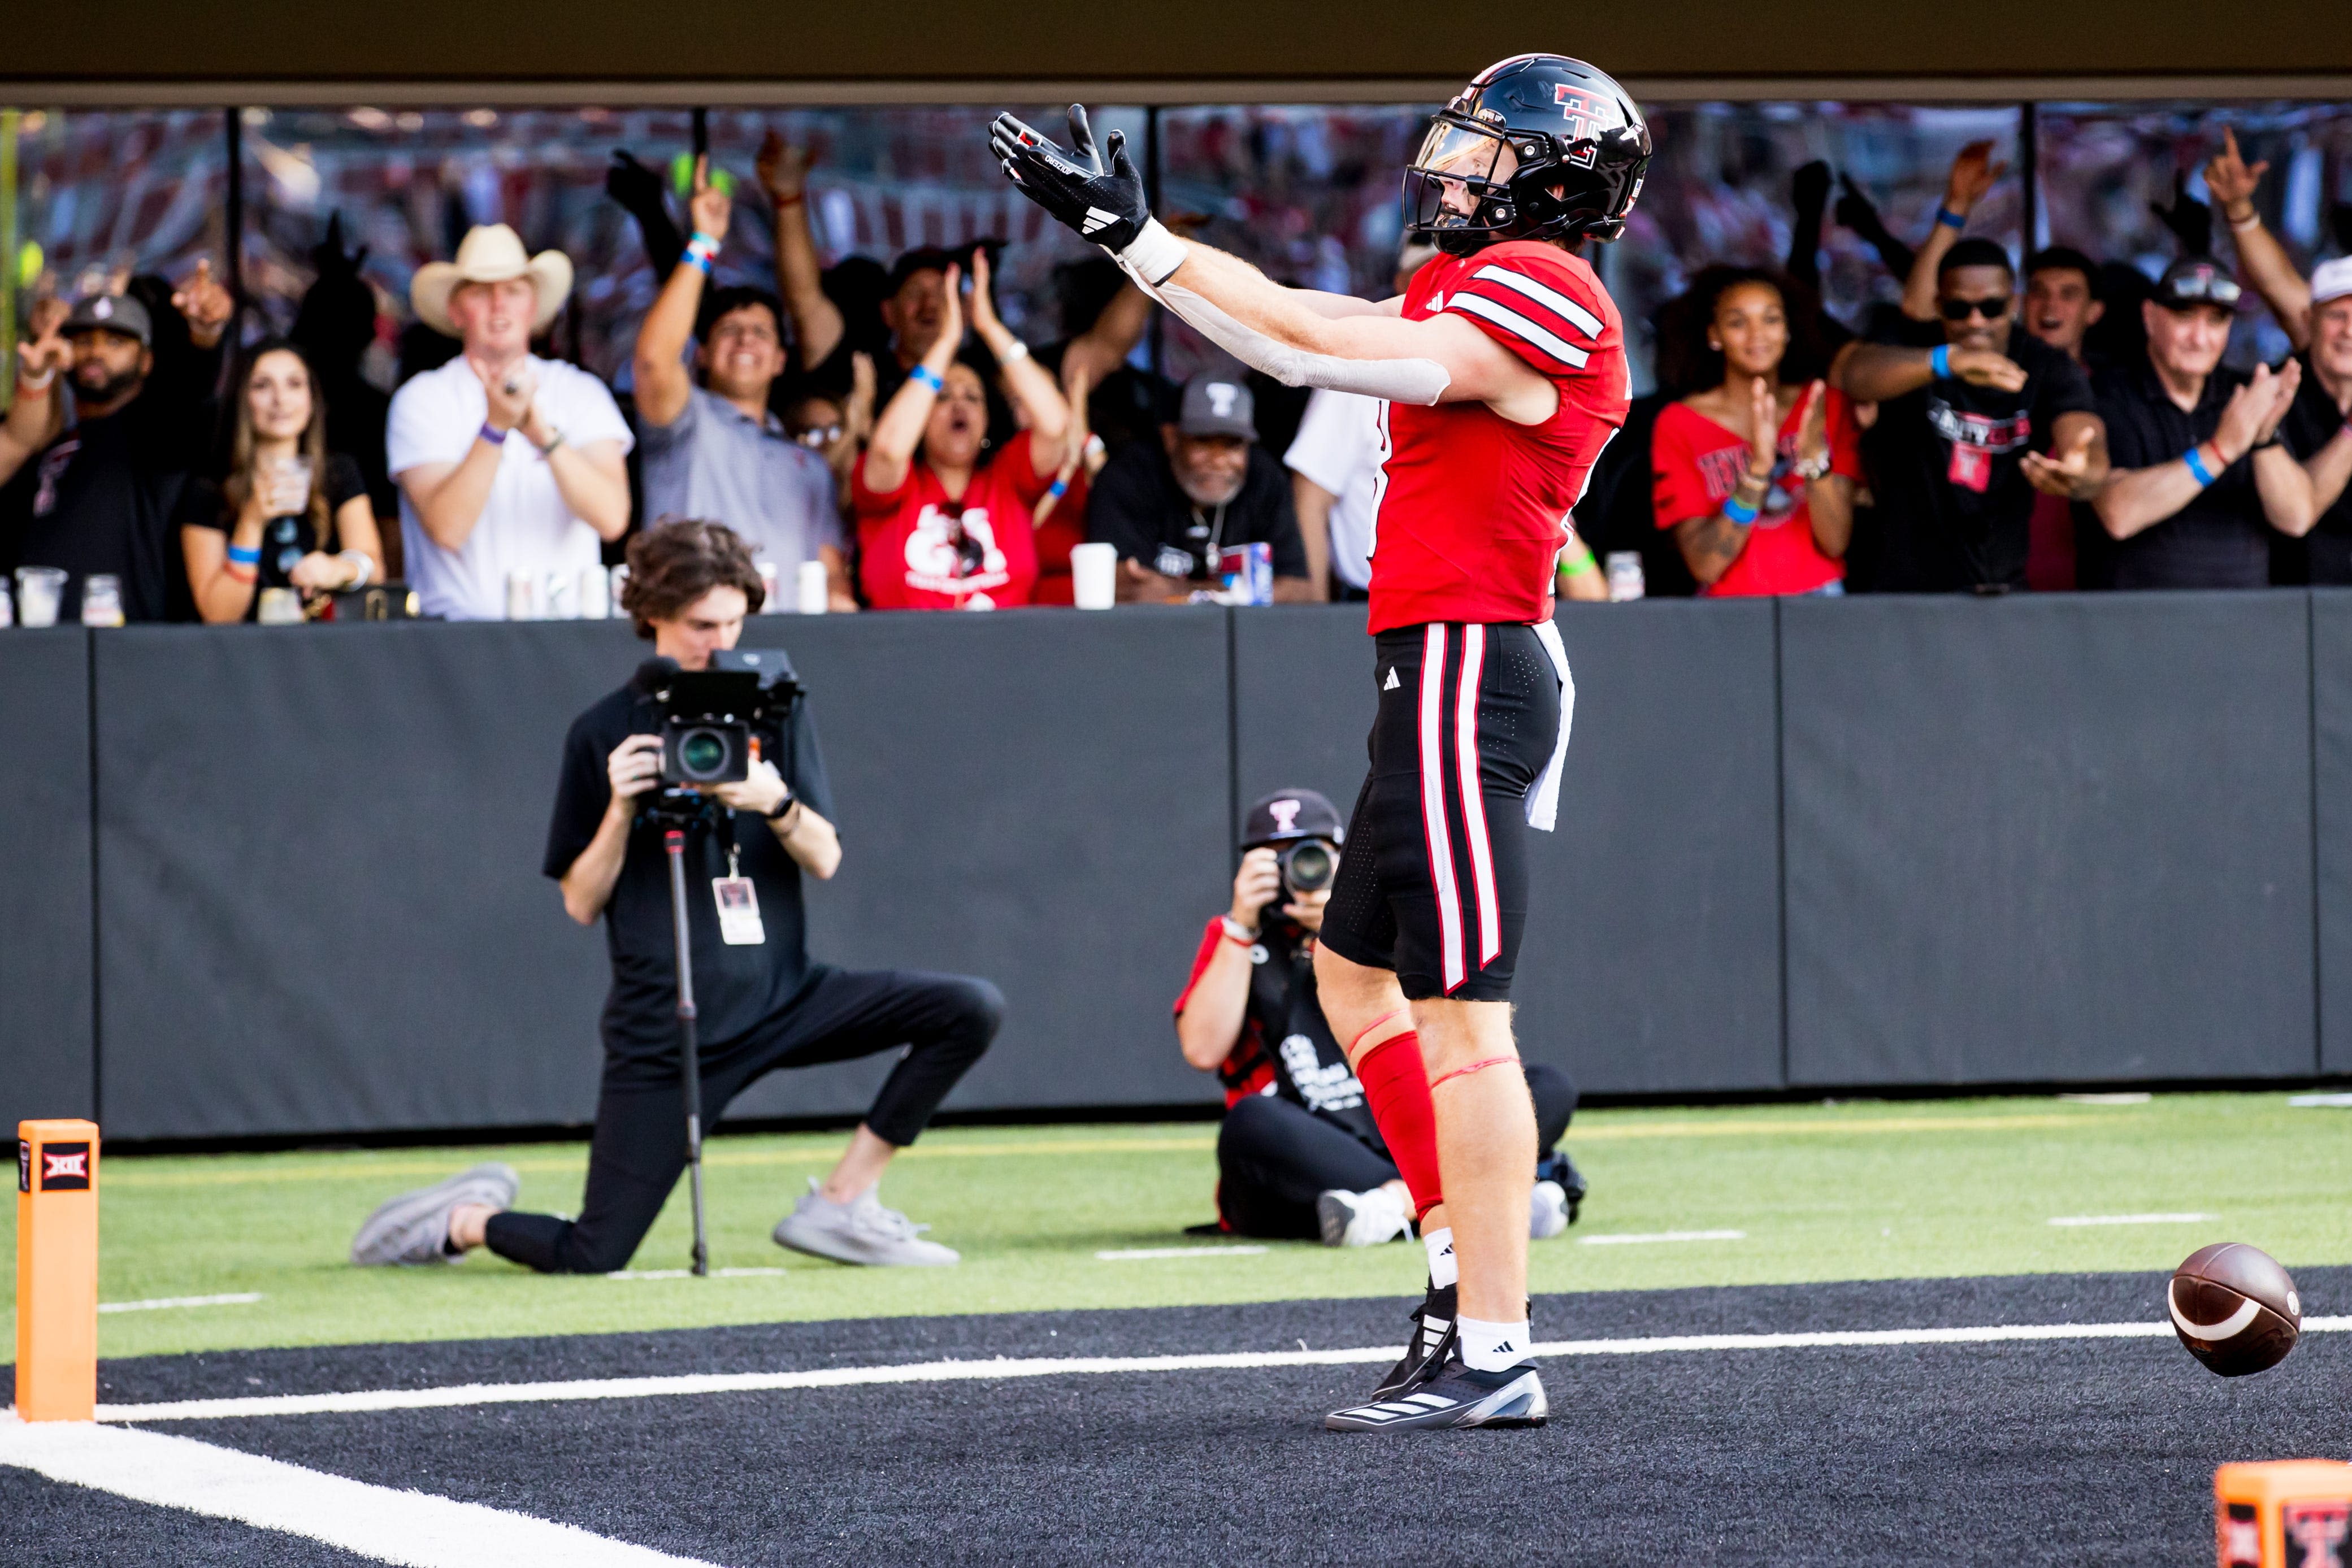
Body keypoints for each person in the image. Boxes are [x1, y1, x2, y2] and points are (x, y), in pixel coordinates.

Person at [996, 50, 1649, 1431]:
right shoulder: (1472, 283)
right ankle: (1450, 1269)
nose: (1449, 165)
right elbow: (1301, 312)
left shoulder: (1550, 291)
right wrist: (1141, 236)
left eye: (1480, 149)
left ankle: (1495, 1340)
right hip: (1430, 665)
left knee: (1467, 1022)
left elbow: (1302, 351)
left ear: (1551, 173)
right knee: (1353, 981)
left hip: (1476, 662)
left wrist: (1134, 236)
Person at [351, 520, 1002, 1274]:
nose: (719, 642)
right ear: (652, 613)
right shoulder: (603, 731)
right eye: (701, 625)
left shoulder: (775, 706)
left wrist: (772, 798)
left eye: (733, 621)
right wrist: (620, 810)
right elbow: (579, 901)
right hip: (668, 1030)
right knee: (594, 1253)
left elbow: (824, 857)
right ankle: (462, 1218)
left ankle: (842, 1202)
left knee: (968, 1006)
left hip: (785, 994)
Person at [1177, 789, 1585, 1245]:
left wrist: (1341, 932)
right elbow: (1202, 1047)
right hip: (1317, 1141)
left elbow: (1431, 1029)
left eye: (1310, 855)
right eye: (1272, 861)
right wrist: (1240, 926)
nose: (1296, 872)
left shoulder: (1379, 928)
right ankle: (1473, 1202)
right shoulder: (1233, 937)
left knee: (1546, 1087)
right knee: (1249, 1124)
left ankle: (1394, 1207)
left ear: (1343, 859)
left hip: (1405, 1123)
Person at [631, 156, 855, 610]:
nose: (746, 340)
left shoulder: (809, 465)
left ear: (779, 361)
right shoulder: (684, 422)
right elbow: (654, 360)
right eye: (730, 332)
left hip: (789, 646)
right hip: (691, 632)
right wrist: (703, 243)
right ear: (703, 356)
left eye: (761, 333)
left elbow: (832, 576)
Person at [1834, 236, 2108, 592]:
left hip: (2000, 588)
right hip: (1905, 590)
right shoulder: (1919, 347)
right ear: (1939, 304)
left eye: (1992, 307)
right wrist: (1948, 362)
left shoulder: (2044, 364)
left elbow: (2085, 436)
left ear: (2013, 303)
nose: (1976, 321)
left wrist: (2080, 472)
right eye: (1959, 309)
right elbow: (1854, 375)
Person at [388, 224, 632, 620]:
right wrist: (495, 429)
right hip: (458, 642)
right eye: (482, 291)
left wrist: (545, 437)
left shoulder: (581, 390)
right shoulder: (422, 398)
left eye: (513, 291)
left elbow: (612, 518)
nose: (499, 304)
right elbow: (448, 528)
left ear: (533, 309)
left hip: (568, 635)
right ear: (456, 311)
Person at [0, 267, 233, 623]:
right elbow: (17, 437)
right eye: (82, 340)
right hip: (32, 650)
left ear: (146, 361)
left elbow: (192, 389)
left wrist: (206, 334)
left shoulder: (158, 431)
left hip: (125, 653)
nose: (95, 352)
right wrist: (40, 368)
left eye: (116, 342)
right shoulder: (49, 438)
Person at [849, 253, 1070, 610]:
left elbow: (1058, 426)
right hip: (904, 657)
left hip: (1006, 656)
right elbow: (889, 449)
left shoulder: (1007, 477)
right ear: (919, 417)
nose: (959, 405)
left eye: (973, 398)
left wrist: (989, 327)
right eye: (942, 397)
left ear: (987, 420)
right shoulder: (895, 485)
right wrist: (946, 341)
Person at [2088, 257, 2315, 588]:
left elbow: (2296, 518)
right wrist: (2220, 450)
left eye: (2216, 321)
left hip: (2243, 624)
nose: (2200, 338)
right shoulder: (2107, 394)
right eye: (2185, 316)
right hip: (2135, 626)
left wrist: (2264, 438)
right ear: (2149, 317)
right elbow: (2119, 515)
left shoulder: (2245, 393)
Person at [1650, 267, 1861, 596]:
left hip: (1822, 603)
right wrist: (1757, 471)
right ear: (1714, 336)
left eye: (1771, 319)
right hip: (1729, 614)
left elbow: (1835, 543)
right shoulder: (1680, 423)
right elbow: (1705, 566)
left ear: (1788, 330)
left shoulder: (1821, 405)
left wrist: (1813, 459)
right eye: (1737, 322)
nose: (1757, 334)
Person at [2203, 133, 2352, 583]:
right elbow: (2277, 285)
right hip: (2293, 614)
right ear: (2311, 322)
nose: (2349, 330)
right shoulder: (2281, 391)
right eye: (2338, 316)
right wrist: (2240, 211)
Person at [179, 339, 385, 623]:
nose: (281, 399)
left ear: (312, 398)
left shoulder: (338, 473)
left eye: (294, 384)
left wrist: (340, 568)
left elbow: (375, 568)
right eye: (263, 385)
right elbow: (219, 614)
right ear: (242, 399)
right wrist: (251, 522)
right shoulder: (209, 490)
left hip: (326, 651)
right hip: (243, 656)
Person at [1283, 241, 1441, 601]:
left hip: (1471, 605)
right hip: (1373, 603)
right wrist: (1319, 616)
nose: (1442, 286)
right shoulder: (1362, 368)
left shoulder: (1488, 364)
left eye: (1453, 271)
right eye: (1429, 273)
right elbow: (1311, 496)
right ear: (1401, 282)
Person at [1086, 373, 1314, 602]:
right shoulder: (1130, 476)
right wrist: (1246, 593)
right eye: (1203, 441)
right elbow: (1125, 587)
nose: (1219, 460)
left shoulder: (1265, 478)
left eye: (1233, 444)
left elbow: (1299, 590)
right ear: (1171, 438)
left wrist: (1180, 592)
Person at [2015, 246, 2108, 589]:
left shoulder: (2111, 395)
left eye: (2068, 295)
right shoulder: (1991, 387)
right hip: (1994, 591)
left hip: (2078, 597)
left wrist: (2084, 475)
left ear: (2094, 311)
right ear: (2022, 303)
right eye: (2038, 293)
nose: (2050, 307)